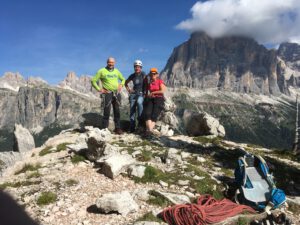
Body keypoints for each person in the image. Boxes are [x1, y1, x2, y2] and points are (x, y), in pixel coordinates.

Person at [91, 57, 125, 135]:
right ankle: (104, 128)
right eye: (109, 62)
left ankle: (118, 128)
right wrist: (99, 89)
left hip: (116, 93)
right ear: (107, 62)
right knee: (107, 110)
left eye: (112, 62)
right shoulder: (101, 71)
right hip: (107, 93)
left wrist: (121, 85)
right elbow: (93, 81)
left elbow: (123, 79)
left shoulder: (117, 71)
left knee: (117, 111)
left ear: (114, 63)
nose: (111, 64)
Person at [143, 68, 166, 135]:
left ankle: (148, 131)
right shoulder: (150, 82)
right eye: (151, 74)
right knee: (147, 114)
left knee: (154, 115)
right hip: (151, 99)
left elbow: (162, 90)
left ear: (157, 74)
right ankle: (150, 130)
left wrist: (153, 93)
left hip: (159, 98)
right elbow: (147, 91)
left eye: (154, 73)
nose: (153, 75)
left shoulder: (159, 81)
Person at [125, 60, 146, 132]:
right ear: (134, 67)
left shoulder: (143, 74)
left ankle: (140, 125)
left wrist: (145, 92)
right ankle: (132, 127)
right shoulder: (132, 75)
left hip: (141, 94)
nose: (137, 68)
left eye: (138, 67)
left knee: (140, 103)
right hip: (133, 94)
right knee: (132, 110)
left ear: (141, 68)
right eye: (136, 67)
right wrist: (129, 90)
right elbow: (125, 83)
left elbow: (147, 83)